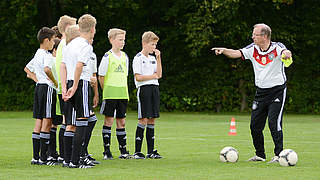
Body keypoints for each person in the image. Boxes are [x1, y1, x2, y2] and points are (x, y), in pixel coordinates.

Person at [212, 23, 293, 163]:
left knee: (274, 123)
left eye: (255, 34)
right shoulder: (253, 48)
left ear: (265, 36)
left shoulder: (277, 47)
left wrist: (287, 54)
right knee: (255, 125)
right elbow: (236, 53)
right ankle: (260, 155)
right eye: (253, 34)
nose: (252, 37)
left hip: (277, 91)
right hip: (261, 93)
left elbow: (286, 53)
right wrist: (224, 50)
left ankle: (279, 155)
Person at [60, 14, 97, 168]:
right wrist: (75, 86)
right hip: (80, 83)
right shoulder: (86, 46)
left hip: (68, 82)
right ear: (93, 29)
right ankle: (76, 161)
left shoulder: (70, 44)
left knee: (71, 122)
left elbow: (63, 66)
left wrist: (64, 87)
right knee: (82, 121)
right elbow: (79, 66)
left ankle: (67, 160)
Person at [26, 27, 58, 165]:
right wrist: (55, 82)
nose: (53, 43)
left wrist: (37, 80)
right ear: (46, 40)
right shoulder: (47, 55)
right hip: (48, 88)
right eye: (52, 41)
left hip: (39, 87)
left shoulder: (37, 53)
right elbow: (47, 69)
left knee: (39, 121)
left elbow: (27, 69)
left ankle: (35, 157)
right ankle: (44, 158)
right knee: (47, 121)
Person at [98, 28, 130, 160]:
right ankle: (107, 151)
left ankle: (123, 150)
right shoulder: (107, 56)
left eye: (124, 40)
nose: (123, 42)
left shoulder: (125, 56)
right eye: (120, 39)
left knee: (121, 122)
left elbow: (125, 75)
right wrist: (106, 90)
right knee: (109, 120)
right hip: (110, 93)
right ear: (111, 40)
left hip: (122, 93)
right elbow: (101, 75)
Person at [132, 31, 163, 159]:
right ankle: (138, 151)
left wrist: (158, 58)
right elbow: (138, 77)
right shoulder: (138, 58)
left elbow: (159, 75)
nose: (154, 47)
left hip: (154, 88)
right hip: (144, 89)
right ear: (144, 43)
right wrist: (152, 76)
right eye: (152, 45)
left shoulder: (152, 59)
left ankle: (151, 151)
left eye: (155, 45)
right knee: (143, 118)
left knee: (152, 119)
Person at [55, 15, 77, 163]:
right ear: (68, 28)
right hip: (66, 87)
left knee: (65, 121)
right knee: (69, 122)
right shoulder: (66, 44)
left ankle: (64, 154)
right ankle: (66, 155)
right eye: (75, 27)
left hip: (62, 87)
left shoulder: (63, 44)